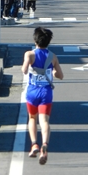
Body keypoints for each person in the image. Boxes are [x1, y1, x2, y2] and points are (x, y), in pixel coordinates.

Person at [21, 27, 64, 165]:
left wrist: (28, 67)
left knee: (32, 118)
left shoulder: (29, 54)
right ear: (48, 42)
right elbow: (60, 76)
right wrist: (53, 73)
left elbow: (24, 70)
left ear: (35, 40)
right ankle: (45, 144)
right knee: (44, 121)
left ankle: (34, 144)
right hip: (46, 93)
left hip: (32, 92)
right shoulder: (53, 57)